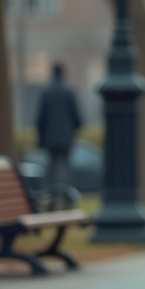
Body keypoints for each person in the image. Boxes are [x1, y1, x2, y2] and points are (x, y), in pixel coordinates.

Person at [35, 62, 82, 207]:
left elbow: (40, 118)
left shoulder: (46, 92)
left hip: (49, 138)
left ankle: (52, 197)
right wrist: (72, 130)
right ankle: (64, 197)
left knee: (51, 167)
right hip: (66, 137)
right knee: (64, 167)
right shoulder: (69, 91)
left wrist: (41, 136)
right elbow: (77, 118)